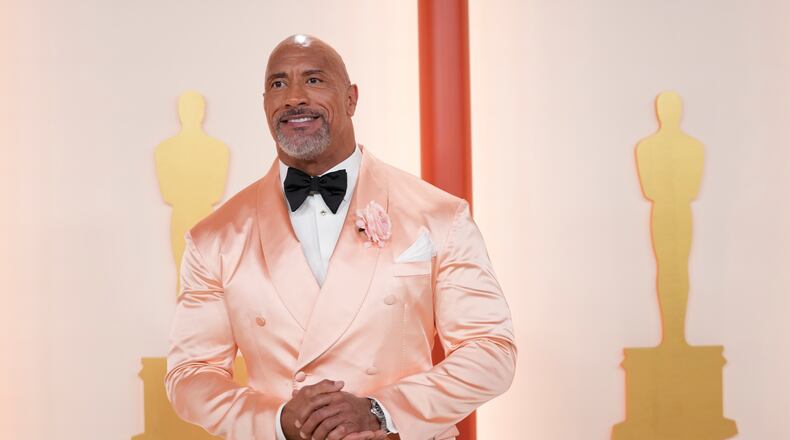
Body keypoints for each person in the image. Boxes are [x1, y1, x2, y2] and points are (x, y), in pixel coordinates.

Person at [165, 34, 517, 440]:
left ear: (351, 98)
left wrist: (382, 411)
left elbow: (491, 351)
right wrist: (278, 421)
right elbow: (190, 376)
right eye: (278, 84)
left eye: (314, 80)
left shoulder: (438, 214)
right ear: (265, 104)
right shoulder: (214, 238)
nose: (294, 97)